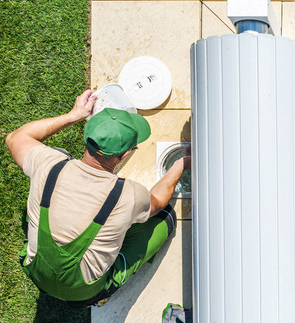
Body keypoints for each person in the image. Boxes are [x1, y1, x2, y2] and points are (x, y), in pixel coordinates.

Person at [4, 89, 188, 307]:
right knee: (164, 218)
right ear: (125, 155)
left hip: (36, 271)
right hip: (83, 292)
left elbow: (15, 138)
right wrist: (180, 165)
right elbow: (158, 201)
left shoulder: (49, 164)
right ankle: (102, 294)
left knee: (59, 154)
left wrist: (73, 115)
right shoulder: (128, 194)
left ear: (86, 137)